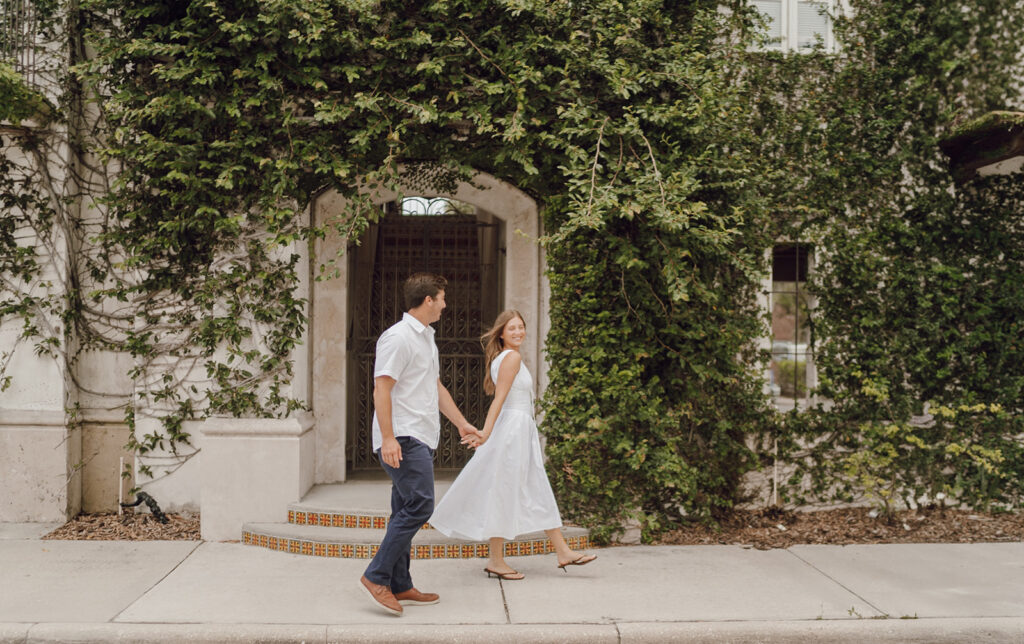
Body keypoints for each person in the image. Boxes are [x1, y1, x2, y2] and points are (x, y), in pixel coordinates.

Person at [430, 310, 597, 580]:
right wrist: (485, 432)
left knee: (528, 487)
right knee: (507, 490)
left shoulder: (501, 358)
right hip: (513, 431)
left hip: (518, 429)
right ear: (501, 333)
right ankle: (499, 560)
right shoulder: (512, 358)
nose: (519, 332)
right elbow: (499, 400)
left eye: (521, 327)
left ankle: (561, 551)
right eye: (512, 329)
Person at [358, 273, 480, 616]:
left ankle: (400, 583)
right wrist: (387, 438)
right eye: (441, 298)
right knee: (421, 506)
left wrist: (461, 423)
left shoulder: (426, 338)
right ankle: (376, 575)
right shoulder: (397, 339)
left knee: (404, 509)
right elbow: (381, 388)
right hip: (403, 437)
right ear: (428, 300)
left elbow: (435, 386)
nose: (444, 304)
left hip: (421, 436)